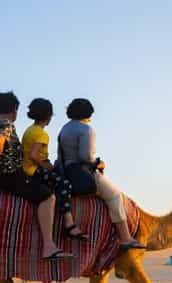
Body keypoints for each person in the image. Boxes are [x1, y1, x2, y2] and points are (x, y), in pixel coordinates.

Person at [0, 91, 71, 260]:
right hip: (10, 177)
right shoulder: (5, 125)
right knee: (48, 196)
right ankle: (49, 246)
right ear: (14, 110)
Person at [57, 98, 145, 251]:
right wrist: (99, 163)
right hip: (81, 171)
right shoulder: (86, 129)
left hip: (65, 171)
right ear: (89, 113)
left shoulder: (64, 129)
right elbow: (86, 156)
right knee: (115, 195)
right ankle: (125, 237)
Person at [21, 98, 87, 242]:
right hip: (33, 170)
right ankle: (69, 223)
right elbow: (33, 156)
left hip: (26, 168)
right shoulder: (42, 134)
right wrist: (48, 168)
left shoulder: (30, 130)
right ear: (49, 116)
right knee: (64, 184)